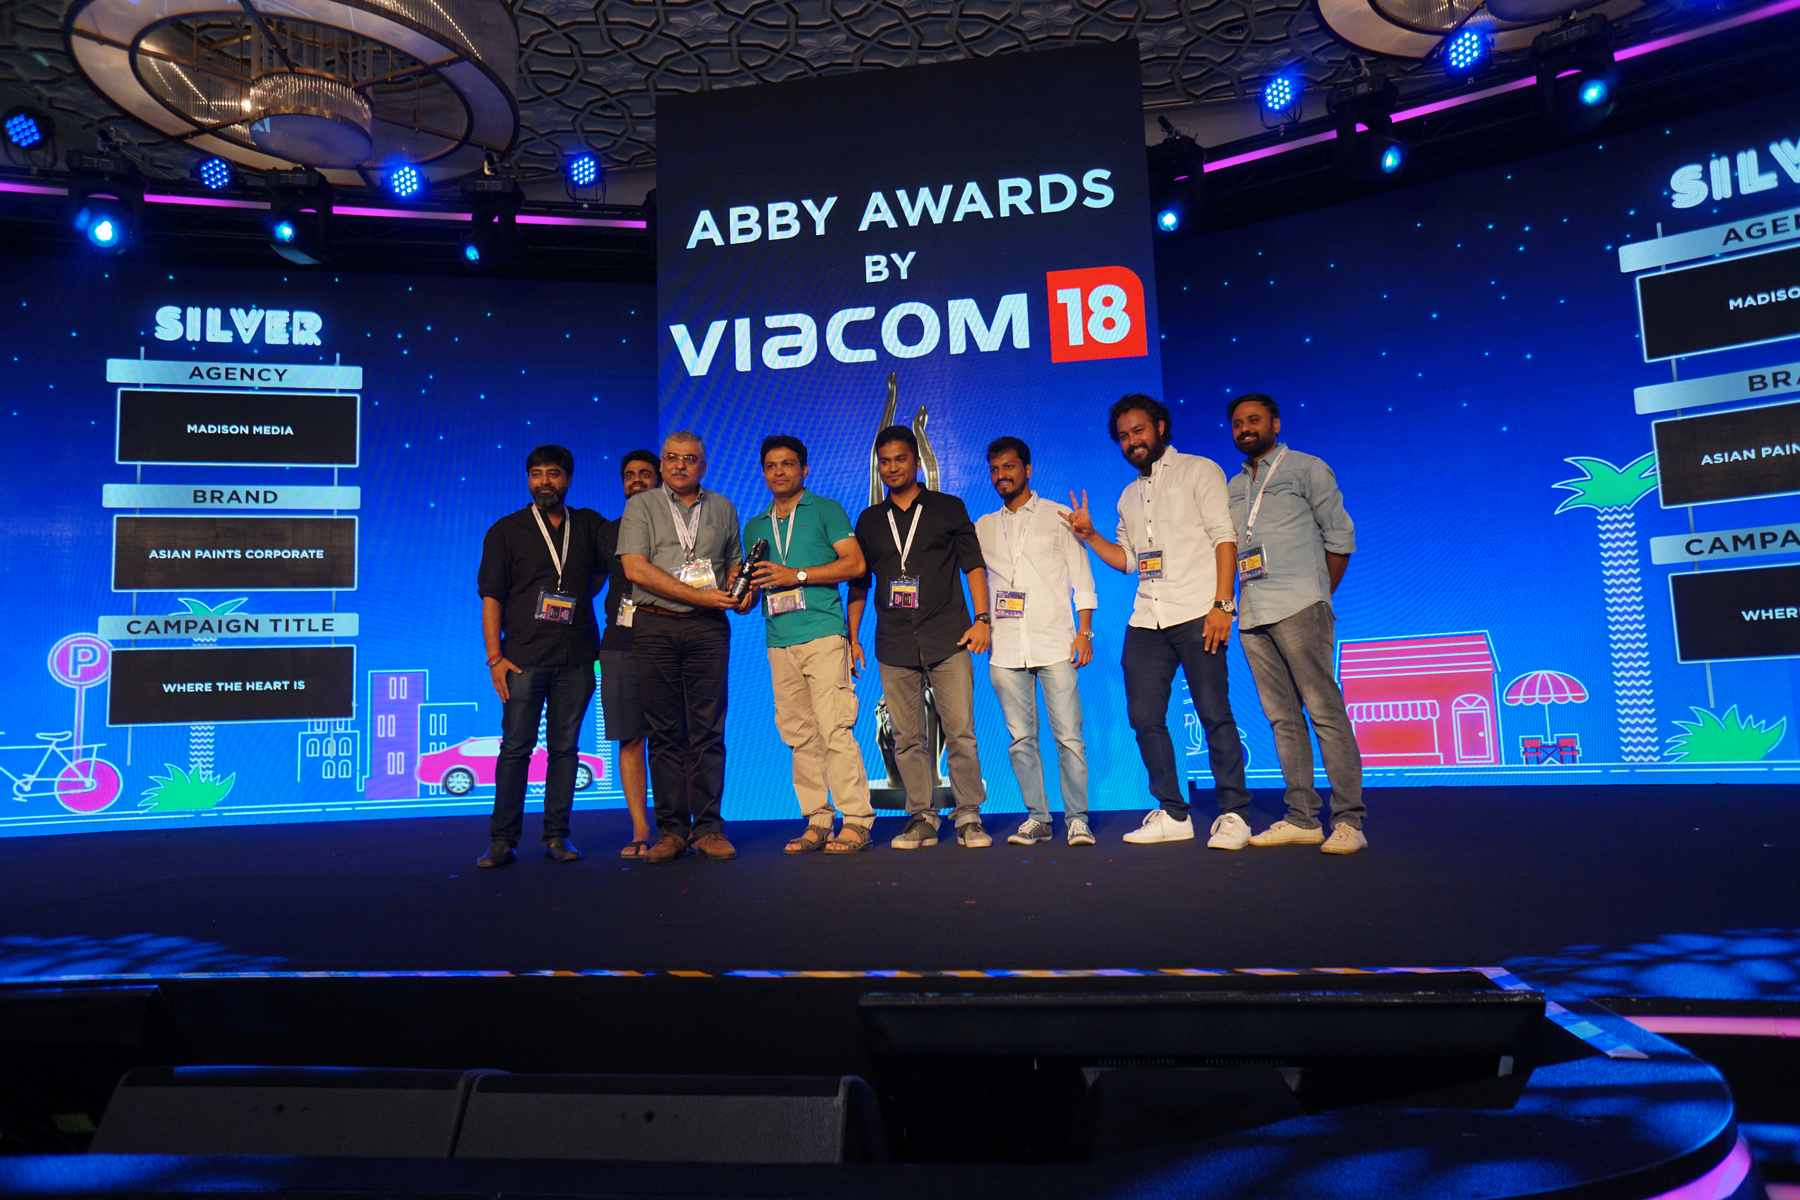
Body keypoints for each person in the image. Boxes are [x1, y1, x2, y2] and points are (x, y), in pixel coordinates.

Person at [1062, 395, 1253, 848]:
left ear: (1161, 427)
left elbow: (1224, 539)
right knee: (1144, 717)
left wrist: (1223, 605)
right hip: (1148, 617)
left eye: (1139, 431)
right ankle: (1173, 812)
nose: (1133, 441)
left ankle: (1234, 814)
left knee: (1214, 713)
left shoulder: (1200, 470)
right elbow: (1128, 560)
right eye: (1124, 436)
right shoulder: (1128, 496)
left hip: (1198, 611)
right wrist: (1089, 536)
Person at [1226, 394, 1366, 856]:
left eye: (1254, 420)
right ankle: (1302, 818)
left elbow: (1340, 537)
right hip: (1253, 613)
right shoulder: (1233, 486)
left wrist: (1318, 593)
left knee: (1324, 711)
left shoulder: (1307, 468)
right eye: (1238, 423)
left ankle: (1348, 820)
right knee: (1282, 719)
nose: (1245, 428)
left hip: (1300, 605)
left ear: (1276, 424)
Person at [847, 425, 993, 850]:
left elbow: (973, 565)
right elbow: (859, 582)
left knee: (960, 732)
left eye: (900, 459)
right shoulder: (870, 520)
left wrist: (983, 619)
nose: (893, 467)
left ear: (916, 461)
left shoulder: (948, 508)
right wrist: (852, 636)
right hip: (894, 642)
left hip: (948, 636)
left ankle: (968, 815)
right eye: (885, 461)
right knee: (907, 737)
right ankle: (922, 817)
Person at [616, 431, 750, 864]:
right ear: (662, 464)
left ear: (703, 466)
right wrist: (699, 596)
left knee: (709, 730)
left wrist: (742, 592)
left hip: (708, 628)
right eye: (672, 458)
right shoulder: (642, 506)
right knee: (665, 732)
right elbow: (636, 569)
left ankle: (709, 828)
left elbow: (733, 565)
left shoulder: (723, 507)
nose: (679, 465)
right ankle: (672, 831)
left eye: (689, 459)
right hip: (655, 624)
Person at [475, 444, 609, 868]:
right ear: (528, 480)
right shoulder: (506, 530)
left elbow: (608, 568)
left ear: (568, 478)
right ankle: (502, 840)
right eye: (536, 474)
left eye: (553, 473)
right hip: (523, 658)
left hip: (576, 657)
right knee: (516, 748)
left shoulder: (588, 525)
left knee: (565, 749)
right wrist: (494, 657)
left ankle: (557, 836)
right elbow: (491, 597)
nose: (544, 482)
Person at [744, 435, 877, 855]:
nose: (779, 472)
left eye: (787, 464)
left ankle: (856, 820)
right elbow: (753, 591)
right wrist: (739, 592)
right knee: (799, 734)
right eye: (771, 465)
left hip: (822, 633)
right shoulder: (755, 526)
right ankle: (818, 818)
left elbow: (855, 564)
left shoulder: (826, 509)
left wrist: (797, 575)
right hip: (778, 639)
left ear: (804, 469)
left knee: (834, 728)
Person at [975, 436, 1098, 848]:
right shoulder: (983, 527)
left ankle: (1077, 819)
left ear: (1027, 470)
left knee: (1069, 739)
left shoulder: (1058, 516)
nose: (1001, 476)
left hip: (1055, 642)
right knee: (1020, 741)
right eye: (995, 470)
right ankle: (1038, 817)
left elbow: (1082, 577)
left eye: (1009, 467)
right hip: (1006, 648)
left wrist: (1085, 632)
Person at [596, 449, 660, 859]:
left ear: (659, 480)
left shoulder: (674, 526)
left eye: (645, 474)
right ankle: (640, 827)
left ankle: (681, 826)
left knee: (674, 739)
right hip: (620, 644)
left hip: (668, 641)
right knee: (630, 736)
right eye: (629, 475)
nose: (636, 480)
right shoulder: (607, 532)